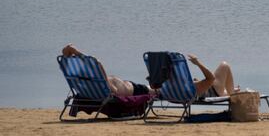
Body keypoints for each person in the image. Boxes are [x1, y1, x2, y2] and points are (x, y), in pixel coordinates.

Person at [62, 44, 239, 99]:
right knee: (224, 65)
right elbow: (210, 78)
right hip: (212, 90)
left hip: (198, 89)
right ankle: (233, 95)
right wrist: (198, 63)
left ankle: (233, 94)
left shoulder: (169, 87)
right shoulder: (192, 89)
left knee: (226, 81)